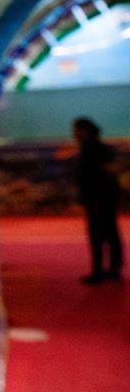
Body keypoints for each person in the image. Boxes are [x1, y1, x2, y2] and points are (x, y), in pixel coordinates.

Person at [72, 118, 124, 284]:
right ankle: (113, 268)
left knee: (98, 234)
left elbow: (104, 172)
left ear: (83, 131)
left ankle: (99, 270)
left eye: (76, 130)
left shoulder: (92, 149)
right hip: (103, 197)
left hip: (98, 198)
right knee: (110, 232)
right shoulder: (99, 148)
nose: (73, 134)